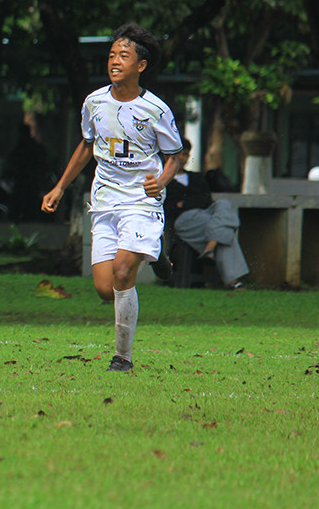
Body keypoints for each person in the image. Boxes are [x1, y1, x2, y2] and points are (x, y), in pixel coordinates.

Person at [41, 23, 184, 373]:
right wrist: (60, 187)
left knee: (122, 273)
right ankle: (158, 254)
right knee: (106, 289)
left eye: (124, 55)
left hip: (140, 201)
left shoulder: (156, 109)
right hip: (104, 201)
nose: (115, 61)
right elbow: (87, 146)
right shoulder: (94, 102)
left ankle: (123, 358)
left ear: (141, 65)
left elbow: (177, 155)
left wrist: (162, 180)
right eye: (111, 55)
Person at [165, 138, 248, 290]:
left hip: (205, 216)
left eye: (185, 154)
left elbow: (207, 201)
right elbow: (170, 207)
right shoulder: (164, 181)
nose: (181, 158)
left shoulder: (197, 178)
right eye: (177, 154)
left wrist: (184, 203)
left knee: (224, 204)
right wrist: (191, 201)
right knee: (225, 231)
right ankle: (232, 280)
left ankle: (211, 246)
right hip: (185, 221)